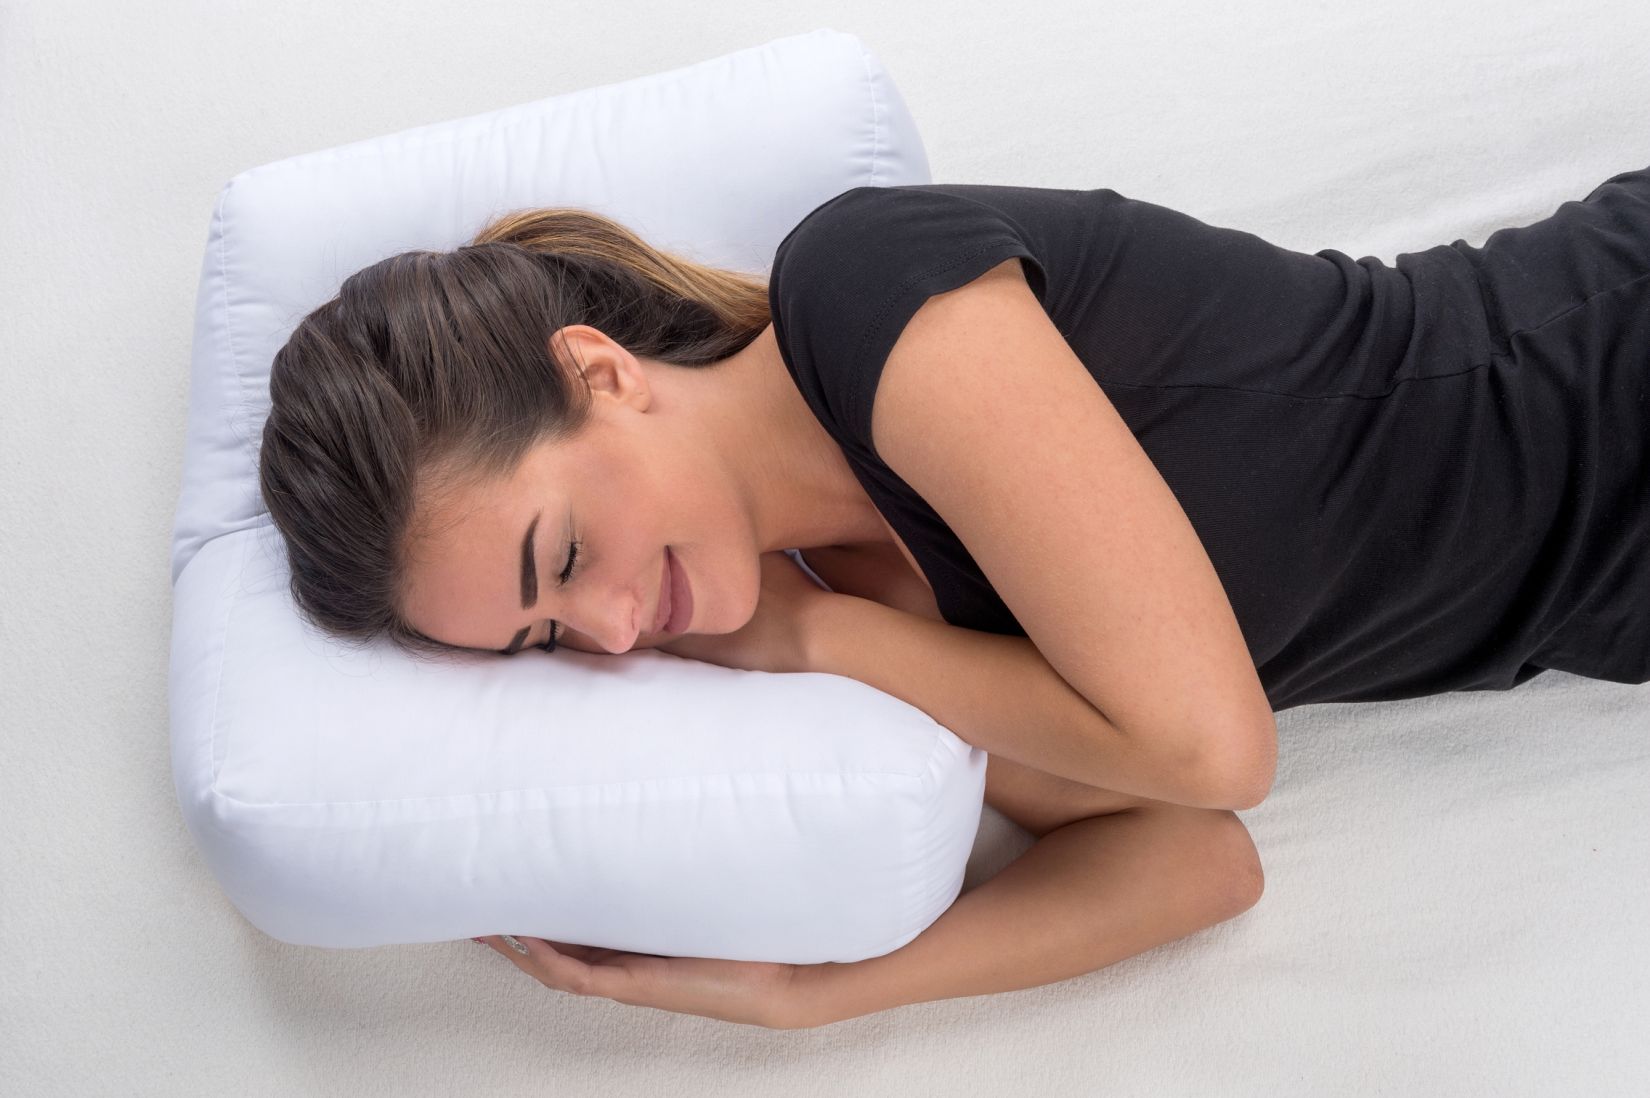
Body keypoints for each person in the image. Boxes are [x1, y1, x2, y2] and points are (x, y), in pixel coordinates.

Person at [258, 168, 1650, 1029]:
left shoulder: (864, 294)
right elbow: (1198, 860)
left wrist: (819, 637)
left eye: (563, 559)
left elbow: (1214, 750)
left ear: (601, 372)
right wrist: (813, 991)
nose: (617, 629)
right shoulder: (880, 633)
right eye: (550, 637)